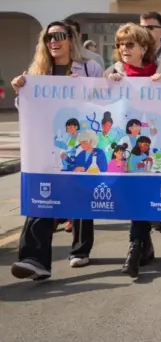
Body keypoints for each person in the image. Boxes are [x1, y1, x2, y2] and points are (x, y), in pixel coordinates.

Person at [9, 21, 104, 280]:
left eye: (59, 35)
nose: (53, 41)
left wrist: (83, 87)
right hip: (48, 145)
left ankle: (80, 248)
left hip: (82, 143)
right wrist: (21, 92)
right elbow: (27, 110)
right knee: (41, 198)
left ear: (71, 39)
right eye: (48, 37)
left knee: (81, 195)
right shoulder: (38, 71)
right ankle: (34, 260)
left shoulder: (89, 67)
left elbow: (103, 102)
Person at [104, 23, 161, 277]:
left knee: (142, 193)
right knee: (134, 195)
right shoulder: (113, 72)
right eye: (120, 44)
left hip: (151, 146)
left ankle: (137, 246)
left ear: (144, 47)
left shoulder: (160, 72)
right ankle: (140, 245)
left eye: (129, 44)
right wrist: (107, 84)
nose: (123, 49)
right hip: (124, 148)